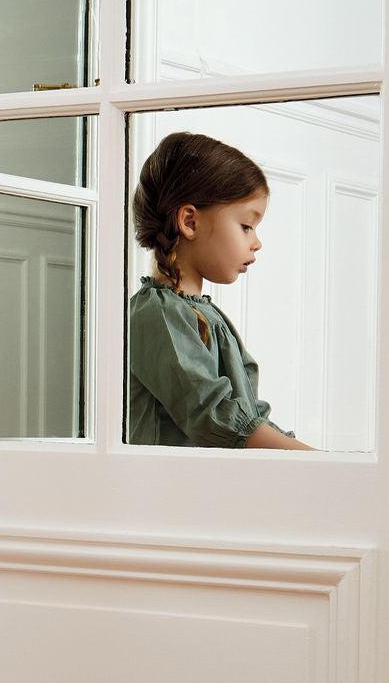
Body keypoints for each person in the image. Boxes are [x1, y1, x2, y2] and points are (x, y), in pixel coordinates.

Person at [125, 131, 313, 450]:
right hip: (171, 493)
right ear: (190, 222)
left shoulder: (204, 313)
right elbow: (215, 417)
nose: (257, 242)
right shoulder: (157, 314)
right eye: (246, 226)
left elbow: (248, 416)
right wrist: (316, 461)